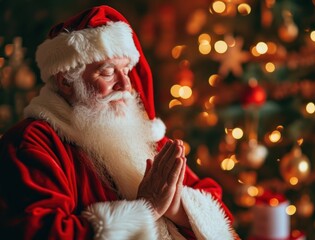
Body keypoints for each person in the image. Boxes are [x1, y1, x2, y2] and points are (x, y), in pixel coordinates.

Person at [0, 5, 237, 240]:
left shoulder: (138, 133)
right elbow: (40, 232)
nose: (125, 86)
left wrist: (176, 208)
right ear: (66, 82)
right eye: (107, 72)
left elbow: (216, 208)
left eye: (126, 70)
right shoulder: (32, 142)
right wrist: (147, 209)